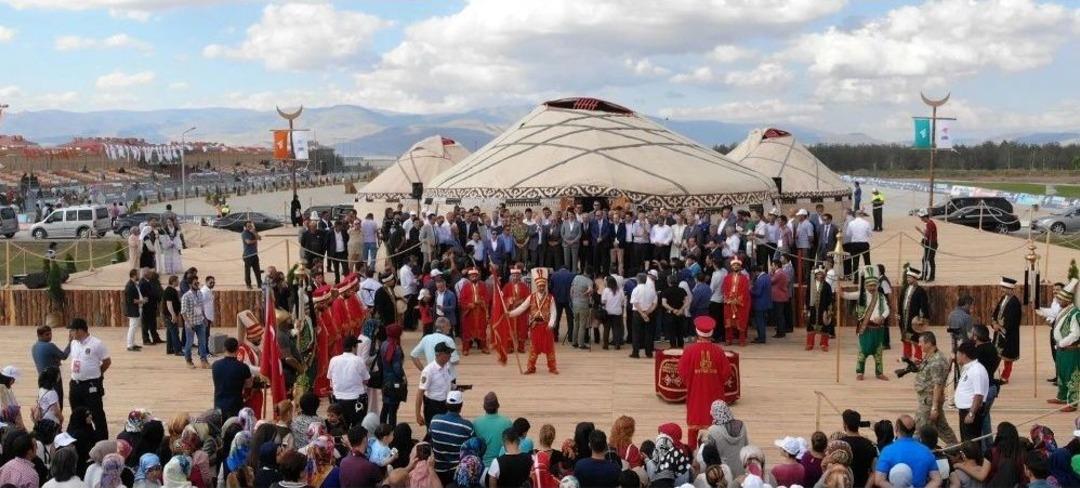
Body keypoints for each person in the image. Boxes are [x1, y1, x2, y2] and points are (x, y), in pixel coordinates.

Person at [677, 316, 732, 448]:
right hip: (715, 393)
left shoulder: (689, 350)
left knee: (693, 426)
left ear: (697, 331)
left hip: (695, 393)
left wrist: (691, 381)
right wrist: (716, 381)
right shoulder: (718, 351)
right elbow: (727, 373)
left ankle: (691, 452)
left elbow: (682, 371)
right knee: (717, 425)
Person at [507, 268, 559, 374]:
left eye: (543, 286)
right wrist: (510, 314)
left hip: (546, 326)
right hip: (535, 326)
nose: (541, 287)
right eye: (539, 286)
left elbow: (553, 312)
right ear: (536, 286)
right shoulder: (531, 297)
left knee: (549, 348)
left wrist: (551, 323)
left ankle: (552, 368)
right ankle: (531, 367)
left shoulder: (550, 298)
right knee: (534, 348)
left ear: (545, 286)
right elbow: (522, 307)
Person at [66, 318, 110, 443]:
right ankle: (83, 438)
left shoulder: (96, 344)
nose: (70, 333)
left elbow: (107, 361)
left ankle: (102, 440)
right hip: (75, 383)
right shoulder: (74, 343)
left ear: (80, 330)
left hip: (90, 384)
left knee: (96, 413)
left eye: (72, 330)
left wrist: (97, 373)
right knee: (77, 413)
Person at [843, 265, 889, 381]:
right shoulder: (861, 295)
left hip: (878, 328)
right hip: (865, 328)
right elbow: (848, 296)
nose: (872, 287)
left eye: (874, 285)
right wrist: (840, 292)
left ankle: (879, 373)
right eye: (869, 285)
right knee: (863, 351)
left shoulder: (881, 296)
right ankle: (860, 372)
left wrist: (882, 317)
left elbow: (887, 309)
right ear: (866, 285)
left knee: (878, 352)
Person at [912, 332, 957, 446]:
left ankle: (915, 452)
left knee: (920, 429)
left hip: (929, 400)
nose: (919, 345)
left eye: (921, 342)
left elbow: (938, 385)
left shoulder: (937, 361)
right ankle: (956, 448)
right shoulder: (931, 355)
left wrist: (934, 408)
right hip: (926, 398)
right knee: (942, 427)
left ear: (929, 343)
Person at [874, 415, 941, 488]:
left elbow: (879, 480)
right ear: (914, 430)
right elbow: (937, 480)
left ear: (896, 429)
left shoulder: (887, 451)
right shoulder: (926, 450)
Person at [430, 390, 475, 486]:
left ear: (446, 403)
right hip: (457, 472)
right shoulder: (467, 426)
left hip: (437, 470)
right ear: (461, 405)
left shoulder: (434, 420)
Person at [1049, 279, 1080, 411]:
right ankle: (1062, 397)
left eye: (1061, 300)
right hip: (1061, 349)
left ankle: (1073, 403)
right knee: (1061, 373)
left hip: (1070, 350)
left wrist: (1062, 343)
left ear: (1067, 300)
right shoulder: (1064, 310)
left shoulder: (1075, 313)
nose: (1058, 302)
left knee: (1071, 375)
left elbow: (1075, 334)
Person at [954, 340, 989, 442]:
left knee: (971, 443)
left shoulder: (976, 370)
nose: (957, 357)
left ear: (964, 355)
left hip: (970, 411)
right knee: (966, 441)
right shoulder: (969, 368)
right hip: (965, 410)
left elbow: (979, 395)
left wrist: (971, 414)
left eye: (958, 354)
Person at [210, 337, 253, 419]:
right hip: (235, 406)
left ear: (224, 348)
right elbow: (249, 384)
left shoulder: (215, 365)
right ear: (237, 349)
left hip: (219, 406)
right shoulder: (243, 367)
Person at [416, 342, 455, 429]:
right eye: (448, 353)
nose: (450, 355)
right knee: (433, 431)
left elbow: (447, 383)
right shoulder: (428, 371)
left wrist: (455, 388)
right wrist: (418, 414)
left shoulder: (447, 366)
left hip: (446, 404)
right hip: (433, 406)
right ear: (439, 354)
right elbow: (420, 393)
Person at [992, 277, 1022, 384]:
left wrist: (1000, 327)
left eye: (1004, 288)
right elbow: (996, 312)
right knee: (995, 353)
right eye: (1002, 288)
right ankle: (990, 373)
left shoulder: (1015, 303)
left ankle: (1005, 377)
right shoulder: (1003, 298)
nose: (1002, 290)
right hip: (998, 333)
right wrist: (994, 323)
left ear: (1010, 289)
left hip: (1009, 334)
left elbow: (1013, 321)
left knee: (1007, 357)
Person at [32, 324, 69, 406]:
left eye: (50, 334)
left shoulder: (34, 347)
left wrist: (55, 360)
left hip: (42, 380)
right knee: (58, 403)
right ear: (39, 335)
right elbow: (64, 356)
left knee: (45, 403)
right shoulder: (50, 346)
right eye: (47, 334)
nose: (50, 336)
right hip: (54, 379)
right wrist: (70, 343)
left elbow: (46, 358)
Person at [474, 392, 513, 468]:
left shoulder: (476, 423)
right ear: (498, 406)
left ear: (484, 407)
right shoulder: (507, 422)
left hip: (481, 467)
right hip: (502, 467)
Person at [899, 268, 930, 361]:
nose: (908, 279)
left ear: (915, 278)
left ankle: (918, 357)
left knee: (915, 338)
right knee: (905, 337)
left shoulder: (921, 291)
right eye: (907, 277)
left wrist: (923, 319)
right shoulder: (904, 289)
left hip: (914, 319)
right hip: (904, 318)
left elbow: (924, 306)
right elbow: (900, 302)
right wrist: (898, 313)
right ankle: (907, 355)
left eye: (910, 277)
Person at [379, 324, 406, 426]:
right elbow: (397, 368)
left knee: (385, 407)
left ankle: (381, 428)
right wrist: (402, 378)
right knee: (393, 410)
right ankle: (391, 431)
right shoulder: (396, 347)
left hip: (385, 380)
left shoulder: (384, 344)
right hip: (394, 382)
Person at [459, 268, 490, 356]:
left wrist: (481, 301)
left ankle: (484, 347)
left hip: (480, 311)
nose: (474, 277)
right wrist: (469, 305)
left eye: (475, 275)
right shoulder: (465, 287)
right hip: (469, 312)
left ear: (478, 276)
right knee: (467, 330)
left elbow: (487, 298)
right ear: (469, 277)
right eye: (472, 276)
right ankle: (466, 349)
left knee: (482, 329)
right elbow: (461, 300)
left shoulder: (483, 286)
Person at [180, 276, 209, 369]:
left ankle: (203, 360)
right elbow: (183, 312)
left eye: (198, 283)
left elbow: (201, 307)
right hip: (191, 323)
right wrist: (188, 323)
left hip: (200, 322)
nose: (197, 285)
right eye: (195, 283)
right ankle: (188, 360)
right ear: (190, 285)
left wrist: (204, 317)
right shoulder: (186, 296)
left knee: (203, 342)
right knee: (189, 342)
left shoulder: (200, 293)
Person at [629, 272, 658, 359]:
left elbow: (635, 302)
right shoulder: (652, 290)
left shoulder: (636, 289)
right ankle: (648, 352)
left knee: (636, 333)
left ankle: (636, 352)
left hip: (638, 313)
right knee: (649, 333)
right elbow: (655, 303)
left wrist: (642, 313)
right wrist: (647, 312)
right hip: (649, 313)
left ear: (638, 280)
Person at [722, 258, 750, 346]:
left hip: (739, 304)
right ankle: (728, 339)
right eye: (734, 265)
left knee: (741, 321)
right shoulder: (727, 278)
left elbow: (745, 291)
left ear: (740, 266)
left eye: (737, 265)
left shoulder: (744, 278)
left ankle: (742, 340)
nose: (736, 266)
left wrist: (737, 299)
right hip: (729, 303)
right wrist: (729, 298)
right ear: (731, 266)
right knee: (728, 322)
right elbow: (724, 289)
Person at [806, 267, 833, 352]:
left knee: (824, 326)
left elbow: (830, 298)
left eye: (821, 274)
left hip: (823, 308)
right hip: (813, 308)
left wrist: (829, 309)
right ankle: (810, 343)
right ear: (815, 275)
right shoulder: (811, 285)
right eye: (818, 274)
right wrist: (806, 307)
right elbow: (807, 296)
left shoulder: (827, 286)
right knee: (810, 325)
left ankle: (824, 344)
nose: (819, 276)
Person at [600, 276, 625, 349]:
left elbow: (603, 301)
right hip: (617, 312)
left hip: (608, 312)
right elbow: (623, 300)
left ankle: (605, 345)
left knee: (606, 329)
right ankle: (617, 345)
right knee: (616, 329)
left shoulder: (606, 290)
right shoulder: (620, 290)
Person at [570, 271, 594, 349]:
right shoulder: (589, 281)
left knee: (576, 322)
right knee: (582, 324)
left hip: (575, 303)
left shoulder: (576, 277)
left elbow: (572, 289)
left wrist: (573, 299)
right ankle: (581, 343)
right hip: (583, 304)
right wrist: (586, 294)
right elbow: (590, 290)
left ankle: (574, 342)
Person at [125, 268, 147, 352]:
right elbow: (131, 300)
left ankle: (133, 343)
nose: (139, 276)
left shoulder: (134, 284)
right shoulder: (130, 286)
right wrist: (142, 301)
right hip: (133, 310)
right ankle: (130, 345)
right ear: (134, 275)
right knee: (132, 327)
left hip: (137, 308)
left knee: (134, 327)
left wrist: (142, 299)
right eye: (138, 274)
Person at [749, 265, 771, 344]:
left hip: (759, 303)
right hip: (765, 302)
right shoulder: (767, 277)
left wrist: (750, 289)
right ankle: (761, 336)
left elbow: (757, 293)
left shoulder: (760, 280)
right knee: (762, 321)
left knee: (759, 321)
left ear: (755, 272)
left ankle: (761, 338)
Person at [162, 276, 183, 356]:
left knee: (170, 332)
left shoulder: (171, 290)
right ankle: (178, 350)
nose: (178, 282)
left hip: (169, 315)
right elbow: (169, 304)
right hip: (170, 315)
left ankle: (170, 349)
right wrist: (173, 315)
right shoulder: (169, 291)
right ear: (173, 281)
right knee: (174, 332)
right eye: (177, 281)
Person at [915, 210, 938, 282]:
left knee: (930, 260)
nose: (921, 220)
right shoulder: (928, 223)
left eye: (921, 218)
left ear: (925, 217)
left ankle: (931, 277)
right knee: (924, 260)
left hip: (932, 244)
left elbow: (927, 236)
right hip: (929, 243)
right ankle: (924, 275)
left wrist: (919, 231)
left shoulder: (930, 224)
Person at [241, 221, 263, 289]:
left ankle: (259, 284)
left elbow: (260, 238)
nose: (250, 227)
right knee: (247, 271)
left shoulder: (253, 232)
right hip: (248, 255)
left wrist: (254, 233)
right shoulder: (244, 233)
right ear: (245, 227)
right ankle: (248, 284)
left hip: (254, 254)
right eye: (248, 226)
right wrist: (256, 239)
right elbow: (248, 242)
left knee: (257, 270)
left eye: (250, 225)